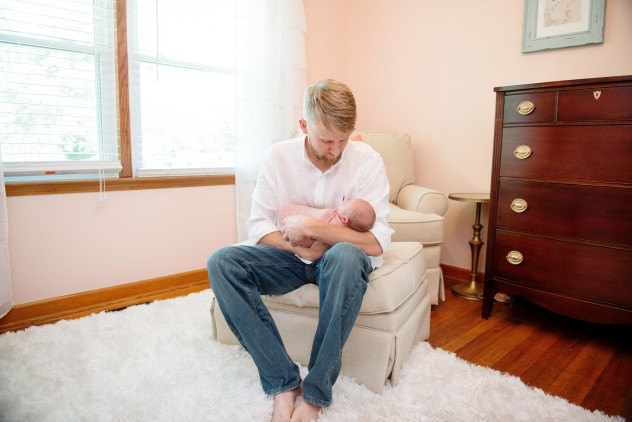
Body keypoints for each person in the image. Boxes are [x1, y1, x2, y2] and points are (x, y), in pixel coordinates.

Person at [207, 79, 392, 422]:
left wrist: (315, 229)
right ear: (304, 126)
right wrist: (299, 247)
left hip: (339, 260)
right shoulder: (277, 157)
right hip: (287, 256)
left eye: (343, 139)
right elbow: (259, 225)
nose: (335, 150)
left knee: (348, 255)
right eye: (326, 140)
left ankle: (315, 393)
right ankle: (282, 381)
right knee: (222, 262)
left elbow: (376, 242)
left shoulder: (368, 160)